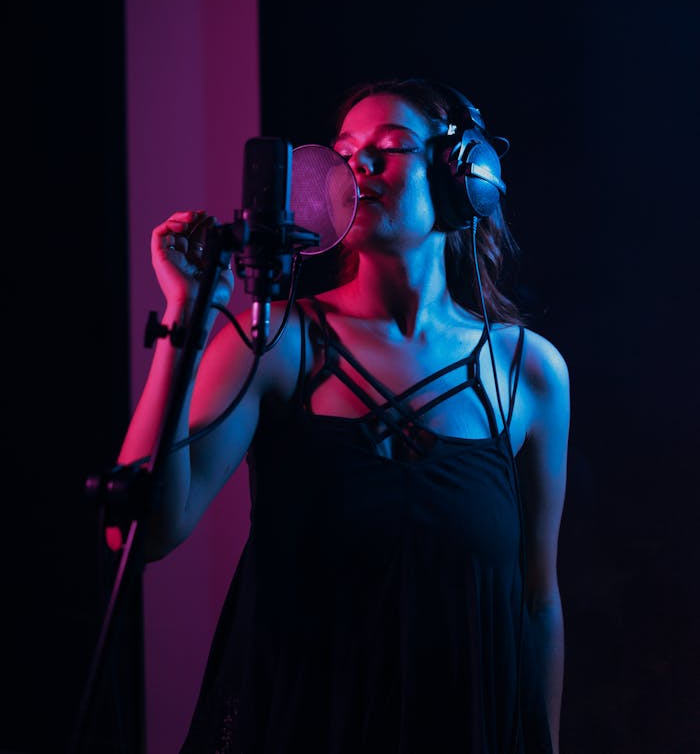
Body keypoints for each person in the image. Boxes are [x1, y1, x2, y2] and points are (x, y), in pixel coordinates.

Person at [117, 77, 570, 754]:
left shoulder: (528, 372)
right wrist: (187, 318)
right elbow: (143, 532)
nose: (356, 167)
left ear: (463, 177)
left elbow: (537, 602)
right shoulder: (272, 342)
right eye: (345, 151)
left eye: (387, 149)